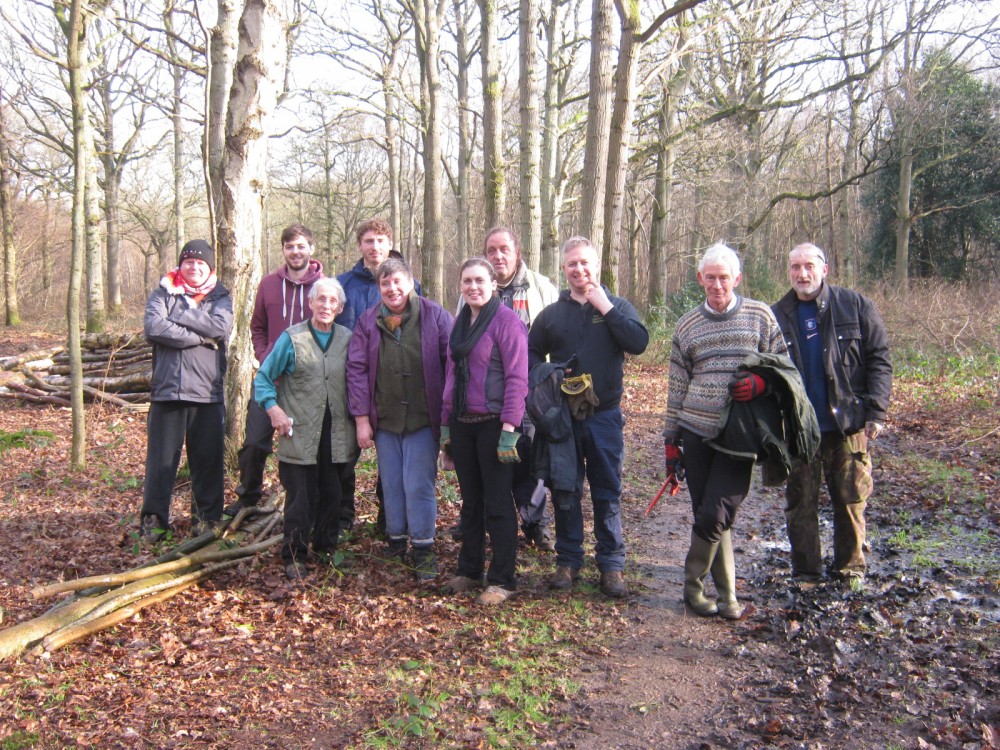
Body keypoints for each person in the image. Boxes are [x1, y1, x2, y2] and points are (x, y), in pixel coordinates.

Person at [663, 243, 786, 619]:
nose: (717, 285)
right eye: (710, 277)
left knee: (717, 510)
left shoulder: (760, 317)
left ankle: (692, 586)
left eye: (724, 277)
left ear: (737, 278)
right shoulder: (687, 325)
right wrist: (671, 442)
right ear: (700, 279)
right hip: (697, 432)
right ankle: (728, 594)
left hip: (741, 435)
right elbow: (676, 387)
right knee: (710, 513)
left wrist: (762, 386)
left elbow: (786, 371)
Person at [527, 236, 649, 598]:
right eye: (571, 264)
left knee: (607, 491)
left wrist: (606, 308)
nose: (579, 270)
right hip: (563, 418)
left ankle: (611, 565)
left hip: (605, 417)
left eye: (584, 263)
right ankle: (568, 561)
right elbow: (531, 355)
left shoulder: (617, 305)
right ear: (563, 270)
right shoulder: (552, 314)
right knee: (565, 489)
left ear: (595, 266)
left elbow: (638, 343)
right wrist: (550, 374)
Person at [771, 242, 892, 581]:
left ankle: (849, 572)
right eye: (795, 267)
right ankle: (806, 574)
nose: (802, 273)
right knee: (800, 504)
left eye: (809, 266)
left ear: (824, 269)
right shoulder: (776, 314)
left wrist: (876, 411)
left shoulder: (854, 306)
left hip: (847, 424)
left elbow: (879, 359)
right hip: (798, 428)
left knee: (851, 500)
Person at [346, 257, 452, 581]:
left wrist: (448, 420)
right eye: (385, 284)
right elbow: (357, 370)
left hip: (423, 417)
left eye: (397, 282)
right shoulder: (368, 321)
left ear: (410, 282)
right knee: (391, 483)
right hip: (386, 419)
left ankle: (423, 548)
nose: (392, 289)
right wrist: (362, 419)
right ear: (379, 288)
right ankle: (396, 541)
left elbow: (453, 367)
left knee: (417, 483)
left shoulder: (435, 316)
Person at [254, 277, 358, 580]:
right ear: (310, 303)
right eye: (321, 299)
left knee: (333, 494)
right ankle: (294, 554)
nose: (326, 306)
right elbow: (263, 378)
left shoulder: (348, 339)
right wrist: (274, 410)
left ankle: (326, 549)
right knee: (301, 497)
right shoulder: (292, 338)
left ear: (339, 308)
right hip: (299, 432)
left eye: (332, 301)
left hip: (338, 433)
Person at [440, 259, 529, 605]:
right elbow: (451, 374)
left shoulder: (507, 322)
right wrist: (447, 422)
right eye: (467, 281)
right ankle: (469, 569)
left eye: (479, 280)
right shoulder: (460, 323)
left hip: (495, 424)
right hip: (463, 425)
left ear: (493, 284)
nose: (473, 287)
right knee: (470, 502)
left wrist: (510, 429)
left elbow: (518, 378)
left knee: (497, 502)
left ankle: (503, 579)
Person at [140, 239, 233, 542]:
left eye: (200, 263)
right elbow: (154, 328)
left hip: (207, 393)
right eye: (188, 262)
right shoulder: (161, 292)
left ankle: (206, 520)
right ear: (180, 265)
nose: (194, 267)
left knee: (207, 462)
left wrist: (178, 314)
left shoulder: (220, 296)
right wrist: (200, 336)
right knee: (161, 463)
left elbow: (219, 327)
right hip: (168, 392)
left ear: (210, 267)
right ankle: (153, 521)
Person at [231, 224, 325, 518]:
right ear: (283, 250)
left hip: (307, 381)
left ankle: (309, 502)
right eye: (289, 247)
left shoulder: (324, 286)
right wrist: (265, 354)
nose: (295, 252)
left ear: (311, 249)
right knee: (255, 442)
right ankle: (248, 496)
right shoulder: (268, 284)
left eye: (300, 246)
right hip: (271, 378)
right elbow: (256, 326)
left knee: (310, 445)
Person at [336, 218, 423, 535]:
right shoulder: (344, 285)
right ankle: (343, 515)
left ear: (390, 244)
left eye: (380, 240)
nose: (374, 247)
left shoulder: (409, 284)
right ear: (360, 245)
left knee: (394, 460)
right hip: (352, 383)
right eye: (368, 241)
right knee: (344, 455)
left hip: (395, 388)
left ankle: (391, 517)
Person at [482, 227, 559, 550]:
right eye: (491, 251)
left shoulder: (541, 287)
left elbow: (557, 335)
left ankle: (535, 523)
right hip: (488, 392)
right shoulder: (478, 286)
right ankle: (492, 521)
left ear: (517, 252)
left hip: (531, 390)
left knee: (530, 458)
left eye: (504, 249)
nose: (498, 256)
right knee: (493, 457)